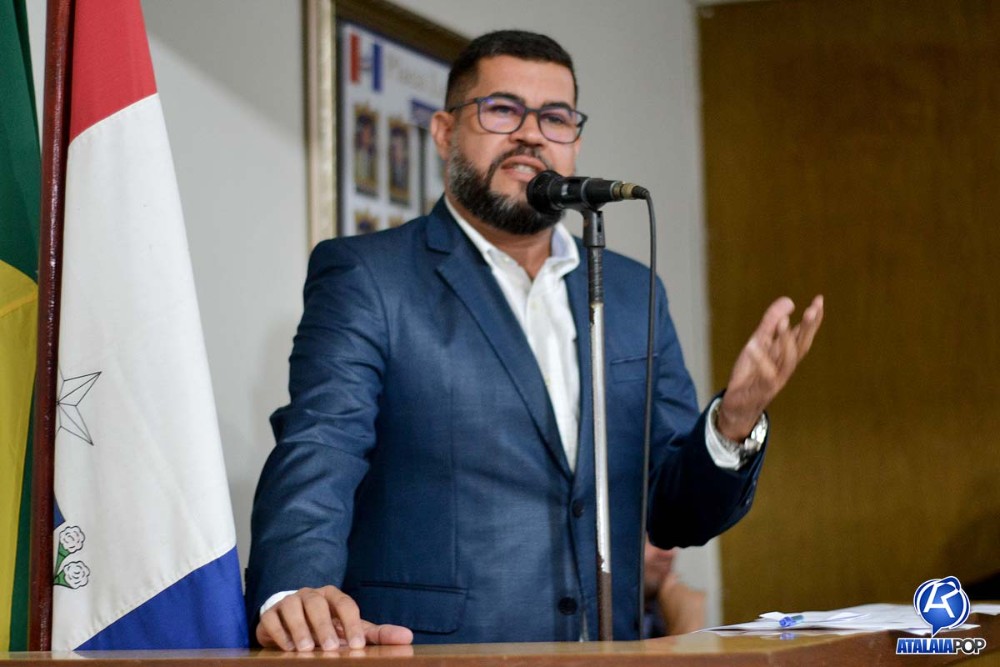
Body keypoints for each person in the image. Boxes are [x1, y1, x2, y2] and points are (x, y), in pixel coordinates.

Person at [246, 30, 823, 650]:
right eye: (502, 110)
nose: (531, 134)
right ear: (444, 131)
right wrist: (295, 587)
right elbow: (322, 442)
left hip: (608, 651)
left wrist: (734, 420)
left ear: (575, 142)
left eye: (555, 117)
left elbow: (676, 513)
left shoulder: (632, 293)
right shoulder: (370, 276)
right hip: (439, 654)